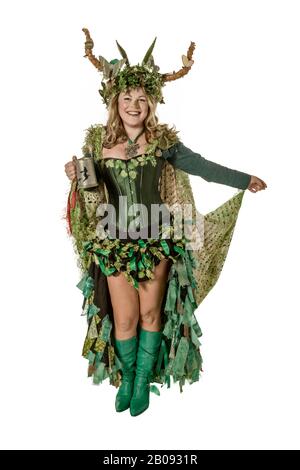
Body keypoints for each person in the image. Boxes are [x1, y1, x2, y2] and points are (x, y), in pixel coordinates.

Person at [64, 28, 267, 417]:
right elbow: (90, 193)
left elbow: (203, 167)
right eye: (127, 97)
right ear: (114, 101)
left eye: (142, 98)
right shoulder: (96, 143)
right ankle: (126, 380)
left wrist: (244, 180)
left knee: (150, 315)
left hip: (156, 238)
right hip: (112, 241)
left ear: (152, 103)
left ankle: (141, 385)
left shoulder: (163, 143)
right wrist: (74, 171)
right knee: (122, 318)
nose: (134, 105)